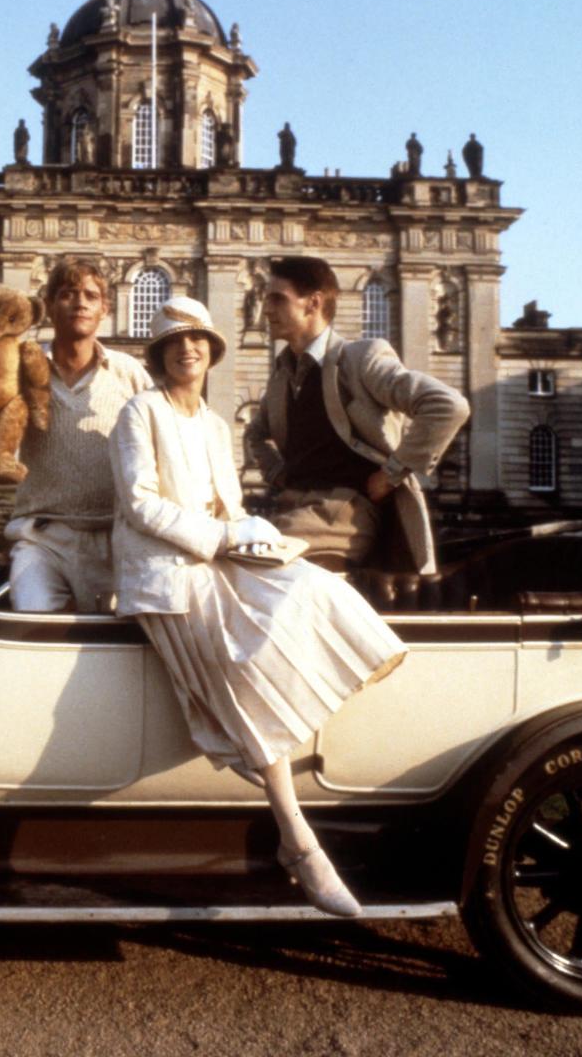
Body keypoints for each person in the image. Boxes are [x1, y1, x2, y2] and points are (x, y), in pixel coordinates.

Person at [109, 297, 407, 917]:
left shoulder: (216, 426)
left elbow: (231, 507)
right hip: (165, 571)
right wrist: (224, 538)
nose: (187, 348)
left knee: (313, 588)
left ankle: (315, 766)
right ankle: (298, 839)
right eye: (175, 341)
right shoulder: (139, 411)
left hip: (220, 557)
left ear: (212, 353)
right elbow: (140, 504)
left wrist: (264, 537)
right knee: (242, 664)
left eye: (198, 339)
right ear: (161, 355)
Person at [245, 257, 469, 574]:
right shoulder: (283, 374)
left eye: (277, 298)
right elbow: (255, 434)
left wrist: (393, 472)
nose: (265, 309)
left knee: (246, 564)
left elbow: (447, 405)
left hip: (344, 513)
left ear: (313, 303)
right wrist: (279, 475)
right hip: (291, 508)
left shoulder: (360, 359)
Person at [5, 259, 152, 612]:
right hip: (43, 537)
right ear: (49, 306)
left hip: (116, 536)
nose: (80, 303)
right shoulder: (23, 369)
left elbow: (156, 445)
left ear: (105, 307)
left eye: (90, 295)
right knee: (32, 619)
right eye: (68, 294)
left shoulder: (129, 373)